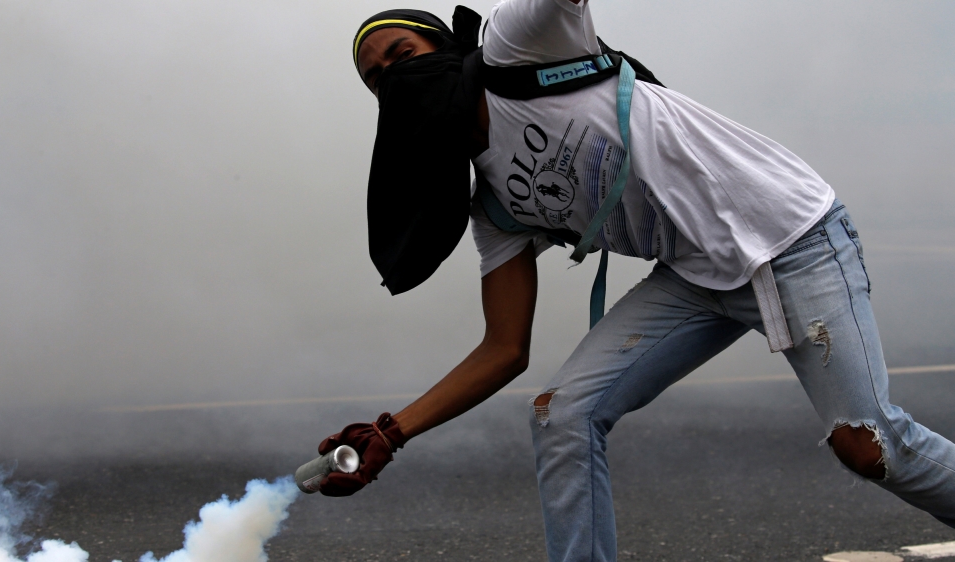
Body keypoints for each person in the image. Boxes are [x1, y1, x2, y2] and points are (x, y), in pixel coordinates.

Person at [315, 1, 955, 560]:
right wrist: (392, 433)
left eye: (402, 55)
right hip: (695, 276)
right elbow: (504, 348)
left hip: (792, 235)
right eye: (377, 80)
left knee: (869, 448)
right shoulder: (493, 207)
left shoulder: (517, 47)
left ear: (447, 49)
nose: (393, 78)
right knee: (560, 416)